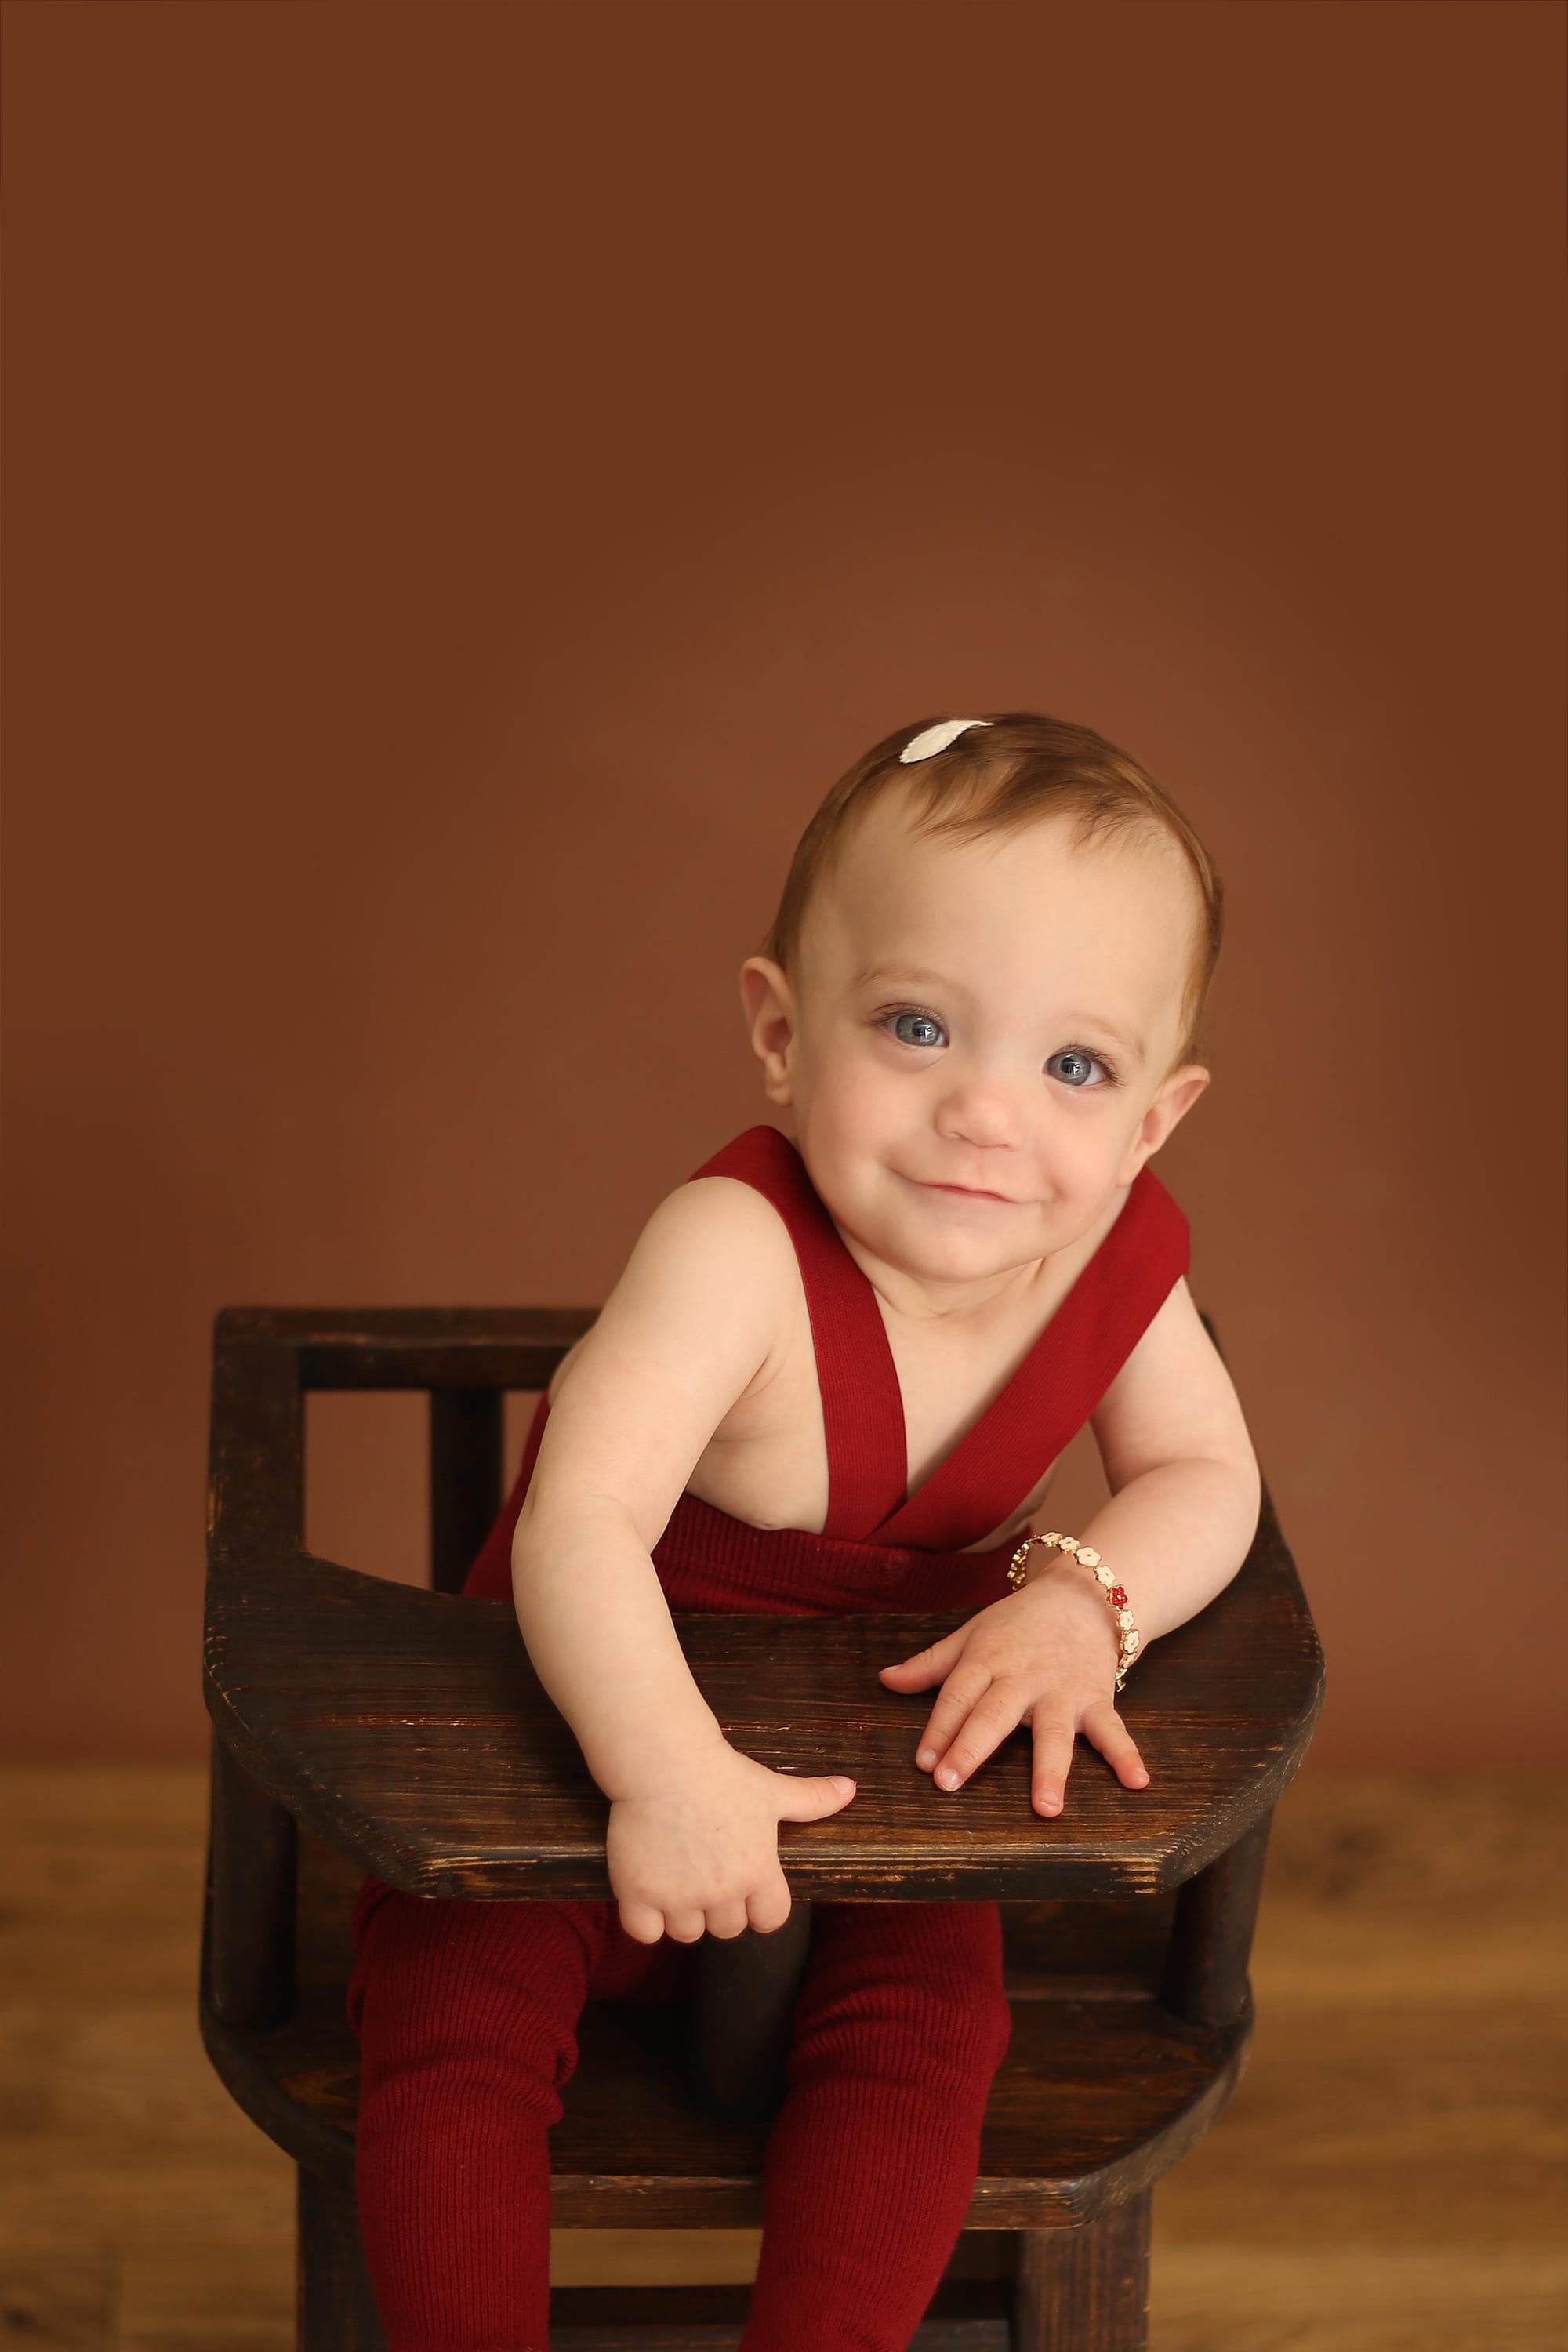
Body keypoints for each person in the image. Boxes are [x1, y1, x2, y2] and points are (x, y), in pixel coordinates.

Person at [347, 709, 1264, 2350]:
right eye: (916, 1026)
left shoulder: (1116, 1268)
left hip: (887, 1783)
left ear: (1152, 1120)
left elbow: (1208, 1476)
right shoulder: (732, 1252)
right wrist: (662, 1770)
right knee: (449, 2016)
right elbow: (578, 1524)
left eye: (1073, 1067)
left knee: (928, 2038)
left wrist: (1083, 1601)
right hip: (581, 1748)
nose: (987, 1114)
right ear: (781, 1031)